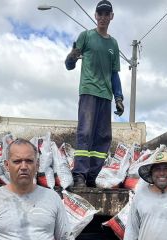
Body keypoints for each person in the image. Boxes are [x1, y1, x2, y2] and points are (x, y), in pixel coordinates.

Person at [65, 0, 124, 188]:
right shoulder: (86, 36)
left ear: (111, 16)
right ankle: (80, 175)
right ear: (95, 16)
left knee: (103, 137)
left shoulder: (113, 44)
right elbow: (69, 65)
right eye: (100, 14)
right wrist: (71, 57)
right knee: (85, 133)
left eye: (107, 14)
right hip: (89, 92)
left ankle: (94, 175)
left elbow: (115, 75)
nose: (103, 17)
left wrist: (119, 98)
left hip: (106, 96)